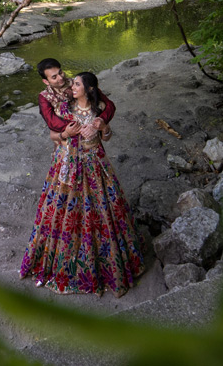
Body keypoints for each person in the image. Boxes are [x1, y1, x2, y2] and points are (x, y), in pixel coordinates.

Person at [19, 71, 145, 297]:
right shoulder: (63, 109)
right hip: (66, 167)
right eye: (72, 83)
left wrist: (102, 127)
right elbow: (53, 136)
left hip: (95, 166)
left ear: (88, 89)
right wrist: (65, 133)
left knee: (102, 212)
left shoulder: (99, 112)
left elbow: (107, 136)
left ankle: (104, 263)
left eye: (77, 84)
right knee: (62, 212)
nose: (72, 88)